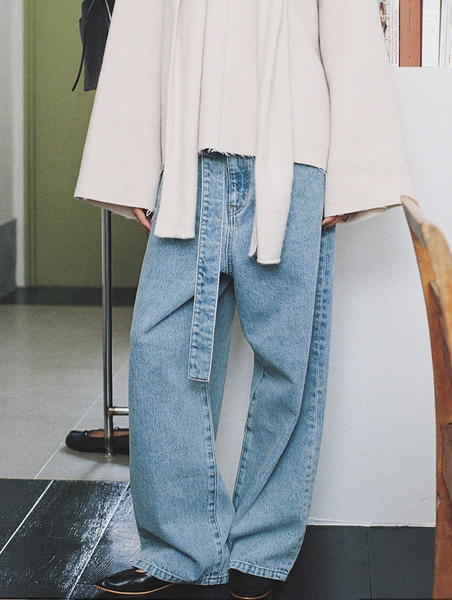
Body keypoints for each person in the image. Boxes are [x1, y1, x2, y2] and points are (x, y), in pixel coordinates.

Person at [75, 1, 413, 598]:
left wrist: (352, 179)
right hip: (187, 156)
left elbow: (349, 25)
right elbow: (143, 21)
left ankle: (261, 549)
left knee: (287, 364)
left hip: (295, 158)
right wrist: (129, 166)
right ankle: (180, 549)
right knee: (161, 353)